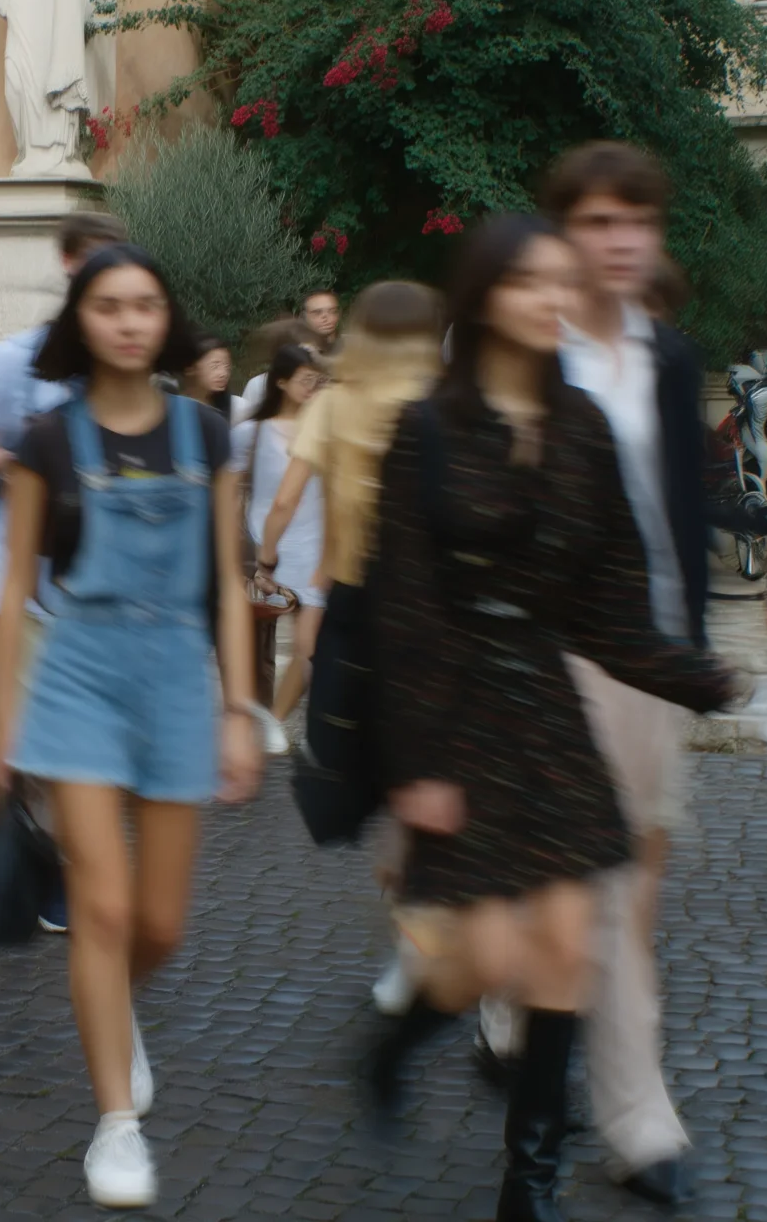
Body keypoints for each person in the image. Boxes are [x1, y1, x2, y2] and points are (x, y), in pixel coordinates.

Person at [369, 214, 733, 1222]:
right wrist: (415, 760)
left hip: (547, 702)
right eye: (527, 281)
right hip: (458, 709)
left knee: (568, 948)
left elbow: (605, 601)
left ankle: (523, 1183)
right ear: (484, 295)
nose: (549, 297)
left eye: (556, 283)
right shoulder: (427, 426)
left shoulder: (579, 425)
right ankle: (398, 1037)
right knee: (486, 960)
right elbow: (400, 604)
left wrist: (696, 675)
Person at [0, 243, 262, 1210]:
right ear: (82, 322)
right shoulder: (48, 441)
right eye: (109, 305)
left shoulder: (207, 435)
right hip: (80, 675)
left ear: (166, 319)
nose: (130, 321)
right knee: (99, 909)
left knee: (161, 926)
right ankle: (116, 1124)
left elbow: (228, 580)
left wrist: (240, 707)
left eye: (146, 304)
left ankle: (116, 1009)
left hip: (180, 675)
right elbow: (14, 588)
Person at [473, 145, 728, 1212]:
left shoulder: (668, 357)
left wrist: (690, 652)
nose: (619, 241)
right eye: (596, 222)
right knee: (593, 892)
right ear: (559, 233)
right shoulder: (519, 353)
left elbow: (683, 514)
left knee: (627, 899)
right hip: (542, 660)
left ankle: (514, 1000)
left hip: (645, 660)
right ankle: (634, 1118)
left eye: (635, 221)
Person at [257, 282, 441, 1013]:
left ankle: (411, 921)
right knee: (428, 780)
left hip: (359, 611)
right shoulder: (444, 409)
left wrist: (267, 556)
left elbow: (287, 498)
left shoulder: (334, 405)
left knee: (385, 783)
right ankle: (424, 942)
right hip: (433, 617)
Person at [0, 211, 126, 939]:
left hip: (91, 588)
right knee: (21, 736)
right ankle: (22, 840)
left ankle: (36, 840)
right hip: (8, 578)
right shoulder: (15, 360)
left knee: (65, 742)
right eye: (91, 265)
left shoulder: (130, 374)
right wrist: (22, 467)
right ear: (67, 269)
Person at [231, 345, 324, 753]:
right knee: (257, 650)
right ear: (282, 382)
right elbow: (230, 494)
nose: (313, 387)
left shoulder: (326, 430)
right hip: (263, 549)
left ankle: (275, 723)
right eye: (306, 379)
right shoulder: (250, 433)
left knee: (309, 648)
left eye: (318, 380)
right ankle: (253, 720)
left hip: (317, 549)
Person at [236, 316, 325, 422]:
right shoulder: (258, 384)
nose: (311, 356)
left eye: (316, 351)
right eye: (305, 351)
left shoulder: (325, 383)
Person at [178, 334, 237, 422]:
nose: (223, 374)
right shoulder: (170, 407)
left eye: (227, 367)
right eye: (214, 366)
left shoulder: (236, 406)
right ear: (190, 367)